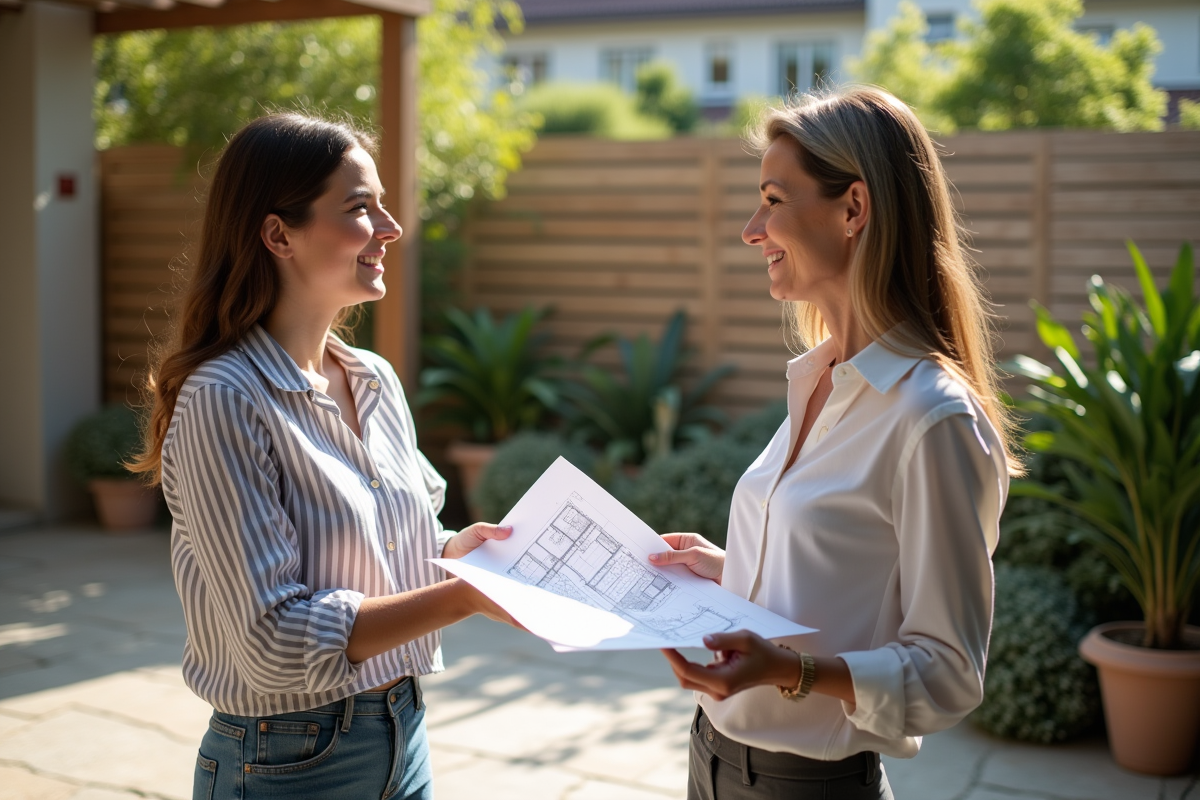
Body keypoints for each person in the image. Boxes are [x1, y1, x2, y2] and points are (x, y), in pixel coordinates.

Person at [129, 113, 521, 800]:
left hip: (403, 731)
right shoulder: (224, 398)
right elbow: (273, 640)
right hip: (286, 760)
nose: (392, 230)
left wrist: (461, 550)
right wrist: (464, 599)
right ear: (279, 234)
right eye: (360, 209)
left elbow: (405, 539)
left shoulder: (372, 378)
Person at [648, 87, 1016, 800]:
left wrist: (787, 671)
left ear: (853, 208)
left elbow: (948, 673)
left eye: (773, 200)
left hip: (805, 784)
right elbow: (844, 569)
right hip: (710, 756)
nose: (752, 229)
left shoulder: (933, 420)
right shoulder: (821, 379)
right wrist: (729, 570)